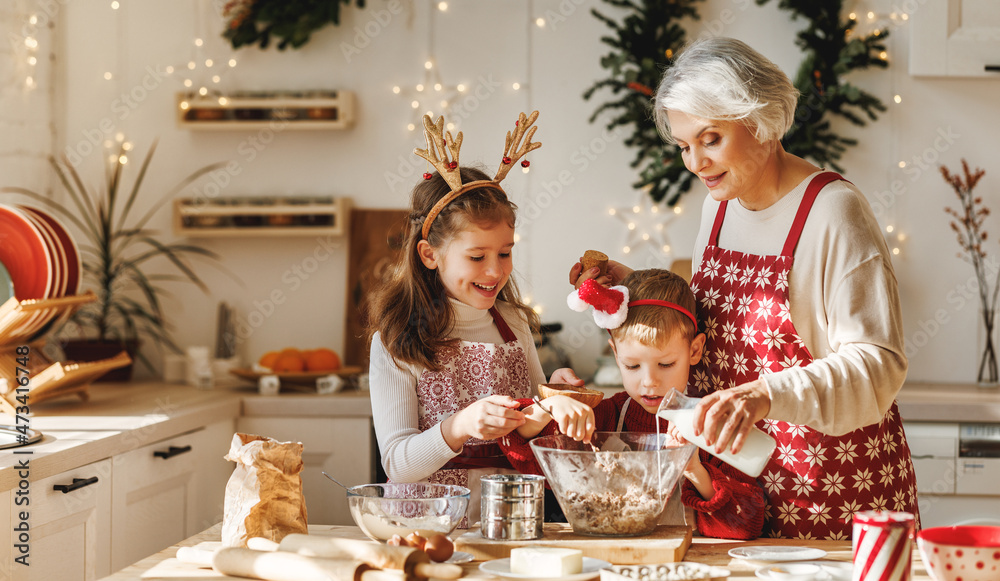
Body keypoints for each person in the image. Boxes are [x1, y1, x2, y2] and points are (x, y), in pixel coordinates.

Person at [570, 37, 919, 539]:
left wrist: (763, 395)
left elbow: (877, 363)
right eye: (685, 146)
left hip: (828, 491)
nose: (695, 163)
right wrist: (637, 286)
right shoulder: (720, 205)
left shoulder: (832, 212)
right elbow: (723, 322)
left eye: (710, 139)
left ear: (761, 121)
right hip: (731, 495)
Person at [368, 111, 582, 524]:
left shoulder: (514, 323)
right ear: (430, 254)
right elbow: (397, 462)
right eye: (476, 256)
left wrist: (554, 397)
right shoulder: (397, 340)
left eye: (504, 252)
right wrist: (462, 424)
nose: (495, 270)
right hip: (429, 528)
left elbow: (531, 428)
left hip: (513, 522)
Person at [501, 269, 768, 540]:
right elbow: (518, 446)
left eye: (665, 364)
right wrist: (552, 404)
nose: (649, 381)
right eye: (632, 365)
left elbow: (746, 523)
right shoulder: (606, 417)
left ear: (695, 351)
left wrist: (694, 469)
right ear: (615, 355)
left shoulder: (712, 425)